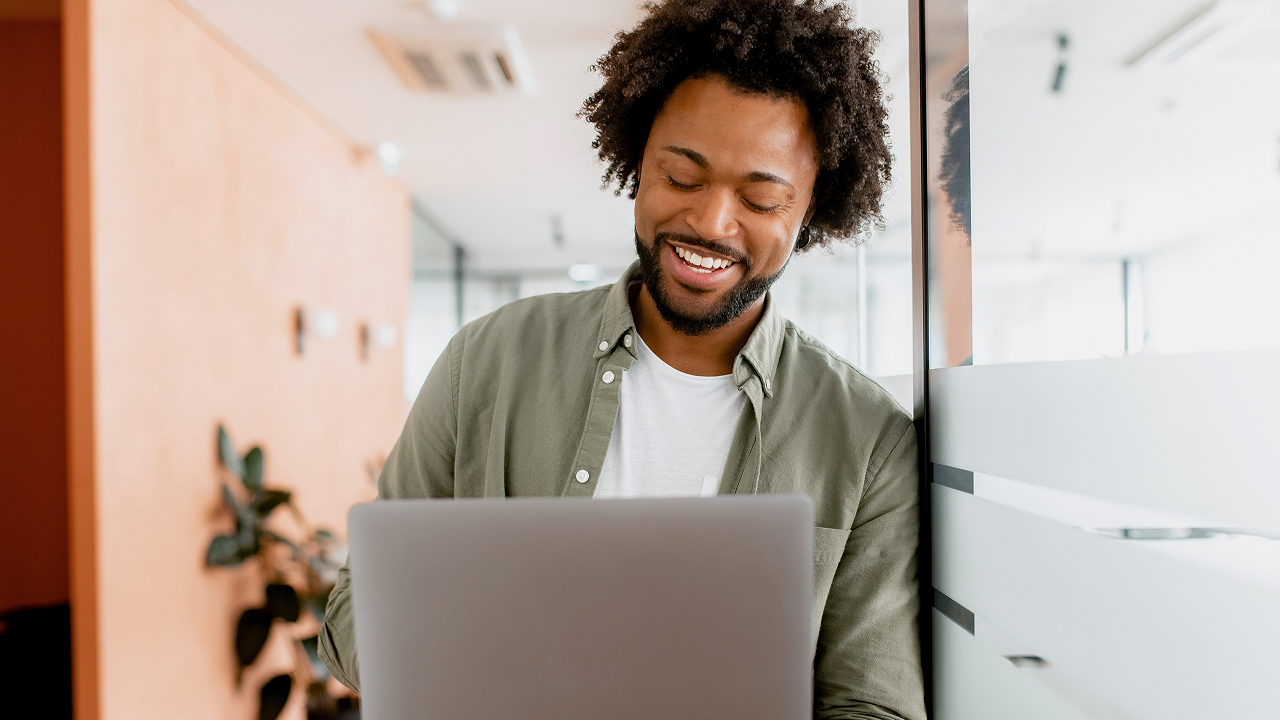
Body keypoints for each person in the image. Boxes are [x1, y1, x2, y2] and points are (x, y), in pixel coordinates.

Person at [320, 0, 922, 717]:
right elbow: (351, 617)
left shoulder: (867, 439)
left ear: (812, 210)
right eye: (683, 178)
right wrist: (486, 651)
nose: (710, 223)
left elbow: (874, 704)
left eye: (761, 199)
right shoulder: (485, 361)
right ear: (637, 161)